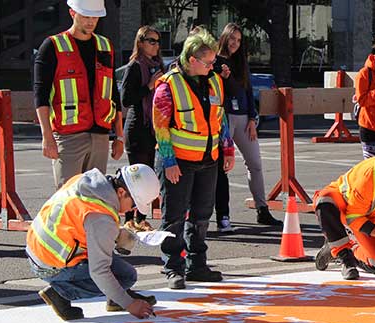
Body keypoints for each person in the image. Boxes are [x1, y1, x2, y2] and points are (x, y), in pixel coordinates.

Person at [153, 27, 235, 290]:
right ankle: (173, 268)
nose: (213, 66)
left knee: (201, 215)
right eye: (208, 62)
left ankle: (197, 265)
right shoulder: (168, 86)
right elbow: (161, 127)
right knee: (173, 217)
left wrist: (228, 149)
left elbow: (220, 118)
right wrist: (169, 162)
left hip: (208, 159)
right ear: (192, 61)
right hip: (178, 161)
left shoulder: (214, 81)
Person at [26, 164, 159, 321]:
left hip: (38, 247)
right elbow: (99, 270)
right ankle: (60, 293)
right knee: (125, 277)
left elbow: (78, 223)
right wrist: (129, 304)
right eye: (134, 204)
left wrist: (115, 234)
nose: (132, 209)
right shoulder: (101, 218)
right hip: (50, 264)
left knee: (124, 273)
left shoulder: (88, 182)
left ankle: (114, 296)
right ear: (122, 192)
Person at [34, 0, 124, 188]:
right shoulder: (52, 46)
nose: (91, 22)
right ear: (72, 13)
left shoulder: (105, 46)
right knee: (67, 197)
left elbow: (113, 94)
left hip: (100, 136)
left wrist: (119, 136)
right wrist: (47, 137)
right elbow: (40, 95)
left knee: (95, 197)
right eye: (86, 16)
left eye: (95, 17)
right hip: (68, 136)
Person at [212, 23, 281, 232]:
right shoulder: (215, 61)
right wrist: (225, 76)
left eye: (239, 40)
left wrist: (252, 118)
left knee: (255, 163)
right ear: (224, 38)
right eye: (232, 38)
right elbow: (226, 90)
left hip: (243, 117)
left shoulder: (241, 61)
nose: (235, 43)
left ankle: (262, 208)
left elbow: (247, 90)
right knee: (220, 169)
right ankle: (223, 216)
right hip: (223, 117)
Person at [120, 25, 165, 232]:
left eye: (157, 41)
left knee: (150, 176)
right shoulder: (135, 66)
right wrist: (148, 87)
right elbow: (126, 99)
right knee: (136, 176)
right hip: (138, 126)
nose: (156, 45)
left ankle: (142, 217)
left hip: (154, 127)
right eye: (151, 41)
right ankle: (129, 217)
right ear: (140, 42)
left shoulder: (158, 65)